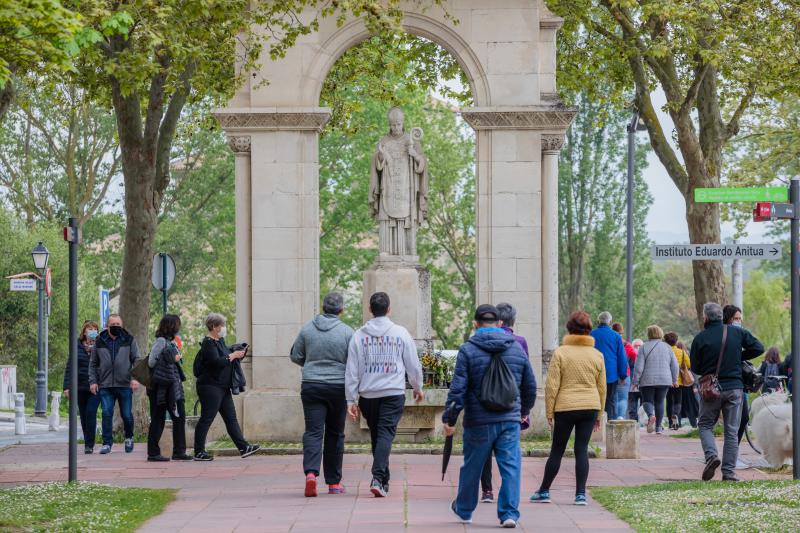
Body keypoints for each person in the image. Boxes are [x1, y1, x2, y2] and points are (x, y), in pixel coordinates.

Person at [445, 304, 536, 528]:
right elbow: (530, 386)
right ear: (499, 324)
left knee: (472, 465)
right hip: (508, 419)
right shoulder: (516, 348)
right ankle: (509, 514)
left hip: (478, 419)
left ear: (475, 324)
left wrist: (450, 417)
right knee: (511, 466)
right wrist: (523, 411)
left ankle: (465, 510)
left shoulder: (468, 349)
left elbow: (458, 389)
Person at [345, 292, 424, 498]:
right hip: (392, 392)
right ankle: (378, 478)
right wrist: (417, 387)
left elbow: (352, 370)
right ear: (389, 309)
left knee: (378, 436)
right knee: (384, 435)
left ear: (370, 309)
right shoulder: (401, 333)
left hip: (368, 394)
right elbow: (413, 364)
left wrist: (351, 399)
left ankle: (382, 480)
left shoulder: (358, 336)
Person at [530, 311, 604, 507]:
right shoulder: (597, 355)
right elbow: (602, 387)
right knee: (582, 449)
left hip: (565, 407)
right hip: (590, 406)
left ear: (569, 329)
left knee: (557, 450)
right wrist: (599, 414)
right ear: (589, 330)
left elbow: (552, 385)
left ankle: (544, 490)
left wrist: (549, 412)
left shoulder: (561, 352)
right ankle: (580, 494)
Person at [290, 292, 354, 497]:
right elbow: (353, 362)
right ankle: (334, 483)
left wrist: (310, 365)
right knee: (335, 434)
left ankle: (310, 474)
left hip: (311, 385)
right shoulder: (347, 332)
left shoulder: (307, 329)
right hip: (337, 387)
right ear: (341, 310)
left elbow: (295, 355)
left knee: (313, 432)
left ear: (323, 307)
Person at [691, 302, 763, 481]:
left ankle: (711, 456)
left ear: (705, 317)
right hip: (735, 389)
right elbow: (759, 348)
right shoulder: (737, 332)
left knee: (705, 424)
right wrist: (738, 356)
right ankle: (729, 474)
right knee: (732, 430)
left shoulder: (700, 338)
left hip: (711, 390)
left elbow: (696, 367)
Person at [480, 302, 530, 504]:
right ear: (512, 320)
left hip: (486, 401)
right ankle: (508, 498)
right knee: (509, 453)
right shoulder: (520, 342)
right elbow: (526, 376)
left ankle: (487, 491)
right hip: (512, 403)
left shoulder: (482, 339)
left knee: (484, 451)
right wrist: (525, 409)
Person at [193, 313, 260, 461]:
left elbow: (226, 358)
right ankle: (199, 451)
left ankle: (244, 447)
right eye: (221, 325)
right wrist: (233, 355)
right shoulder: (208, 343)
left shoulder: (220, 341)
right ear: (214, 327)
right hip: (210, 387)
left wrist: (238, 353)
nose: (223, 328)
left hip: (223, 387)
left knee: (231, 419)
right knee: (207, 418)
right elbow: (217, 362)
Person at [88, 314, 140, 454]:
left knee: (126, 415)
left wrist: (135, 378)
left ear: (122, 326)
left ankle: (129, 437)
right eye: (113, 324)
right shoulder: (99, 341)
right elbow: (93, 364)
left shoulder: (129, 340)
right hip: (105, 385)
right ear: (107, 325)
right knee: (106, 413)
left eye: (118, 324)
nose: (116, 326)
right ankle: (107, 443)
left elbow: (136, 360)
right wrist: (93, 381)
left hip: (124, 384)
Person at [146, 314, 191, 462]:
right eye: (177, 325)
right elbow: (152, 362)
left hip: (173, 387)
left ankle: (179, 451)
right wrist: (172, 357)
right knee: (158, 419)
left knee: (180, 416)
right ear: (171, 326)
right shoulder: (161, 342)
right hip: (160, 388)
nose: (179, 328)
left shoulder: (172, 343)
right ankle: (153, 453)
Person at [63, 320, 101, 454]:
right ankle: (87, 442)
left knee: (91, 412)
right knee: (84, 416)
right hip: (79, 387)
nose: (91, 331)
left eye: (94, 329)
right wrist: (66, 387)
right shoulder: (77, 346)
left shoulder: (101, 345)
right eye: (89, 329)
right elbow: (69, 366)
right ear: (84, 331)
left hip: (95, 386)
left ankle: (90, 444)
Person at [632, 325, 678, 434]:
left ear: (649, 334)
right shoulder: (667, 347)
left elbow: (639, 367)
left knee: (647, 401)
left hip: (647, 380)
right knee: (660, 401)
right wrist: (674, 379)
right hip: (664, 379)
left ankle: (651, 415)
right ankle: (658, 428)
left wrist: (635, 381)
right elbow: (675, 365)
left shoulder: (644, 347)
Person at [590, 312, 627, 420]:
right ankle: (610, 424)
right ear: (610, 322)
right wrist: (623, 375)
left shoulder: (591, 334)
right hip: (611, 374)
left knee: (595, 399)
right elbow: (621, 357)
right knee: (610, 400)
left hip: (594, 373)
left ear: (598, 321)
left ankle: (594, 424)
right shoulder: (616, 336)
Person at [663, 332, 690, 430]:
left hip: (666, 380)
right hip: (679, 381)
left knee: (669, 401)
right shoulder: (681, 352)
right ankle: (676, 415)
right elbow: (688, 364)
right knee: (678, 401)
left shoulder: (664, 351)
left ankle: (670, 423)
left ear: (665, 341)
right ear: (676, 341)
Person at [611, 323, 634, 420]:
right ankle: (621, 417)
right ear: (622, 331)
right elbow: (635, 356)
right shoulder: (626, 344)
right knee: (623, 398)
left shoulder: (611, 343)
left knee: (614, 398)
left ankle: (614, 418)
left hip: (612, 374)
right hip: (625, 374)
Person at [677, 340, 700, 428]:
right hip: (689, 384)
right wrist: (695, 385)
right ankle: (693, 423)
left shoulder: (674, 354)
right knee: (690, 404)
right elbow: (694, 371)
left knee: (678, 403)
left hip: (678, 383)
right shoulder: (688, 355)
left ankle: (677, 423)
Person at [627, 339, 643, 422]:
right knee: (632, 406)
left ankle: (644, 423)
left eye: (640, 346)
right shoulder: (630, 357)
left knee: (643, 406)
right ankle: (633, 422)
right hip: (632, 384)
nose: (638, 348)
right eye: (636, 346)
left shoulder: (645, 356)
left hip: (643, 384)